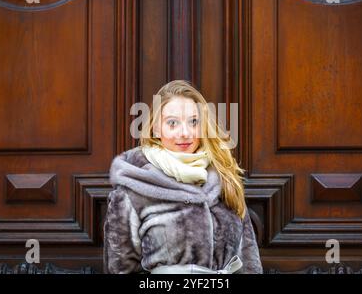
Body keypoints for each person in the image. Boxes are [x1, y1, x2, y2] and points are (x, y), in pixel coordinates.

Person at [103, 80, 263, 274]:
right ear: (156, 128)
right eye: (172, 123)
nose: (185, 133)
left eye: (193, 122)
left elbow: (248, 262)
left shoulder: (224, 178)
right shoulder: (133, 188)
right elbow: (121, 268)